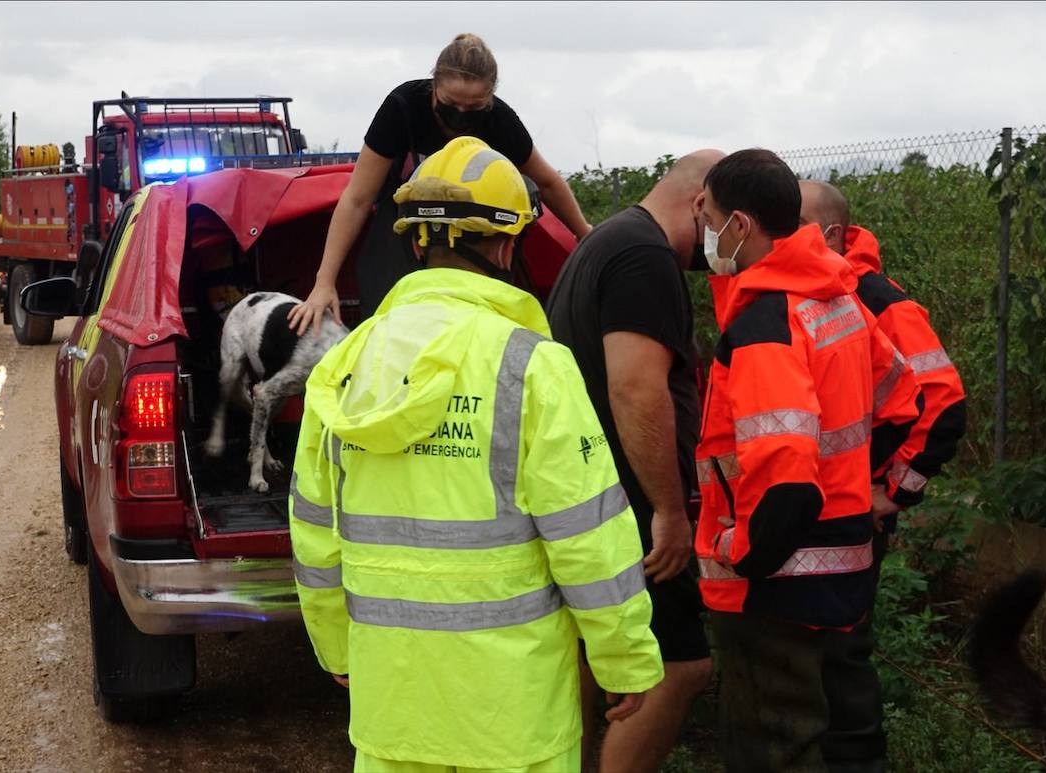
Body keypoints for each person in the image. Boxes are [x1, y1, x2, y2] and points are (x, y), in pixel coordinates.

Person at [288, 136, 663, 773]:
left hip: (393, 709)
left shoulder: (350, 365)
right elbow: (588, 538)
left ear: (414, 244)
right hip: (512, 719)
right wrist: (622, 659)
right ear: (509, 246)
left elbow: (315, 535)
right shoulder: (532, 365)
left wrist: (338, 650)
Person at [693, 150, 921, 772]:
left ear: (741, 225)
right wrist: (863, 487)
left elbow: (786, 484)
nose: (703, 230)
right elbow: (902, 402)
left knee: (774, 747)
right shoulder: (839, 303)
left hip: (774, 591)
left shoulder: (767, 325)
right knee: (836, 736)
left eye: (707, 215)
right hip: (842, 567)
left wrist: (744, 554)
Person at [546, 150, 724, 772]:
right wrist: (670, 511)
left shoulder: (605, 243)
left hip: (593, 495)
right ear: (702, 202)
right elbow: (636, 387)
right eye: (730, 214)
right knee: (678, 667)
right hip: (635, 508)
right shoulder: (643, 257)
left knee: (594, 660)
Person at [800, 180, 968, 772]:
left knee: (842, 656)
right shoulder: (816, 292)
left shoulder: (873, 296)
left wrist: (896, 492)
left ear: (834, 235)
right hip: (818, 511)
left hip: (855, 511)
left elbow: (943, 401)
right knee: (817, 656)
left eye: (793, 223)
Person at [287, 33, 591, 335]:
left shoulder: (500, 119)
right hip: (405, 227)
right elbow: (357, 198)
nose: (459, 116)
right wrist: (324, 282)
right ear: (433, 86)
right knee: (390, 318)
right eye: (449, 105)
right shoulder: (403, 107)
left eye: (473, 108)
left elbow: (548, 182)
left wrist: (585, 234)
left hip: (475, 236)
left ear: (489, 99)